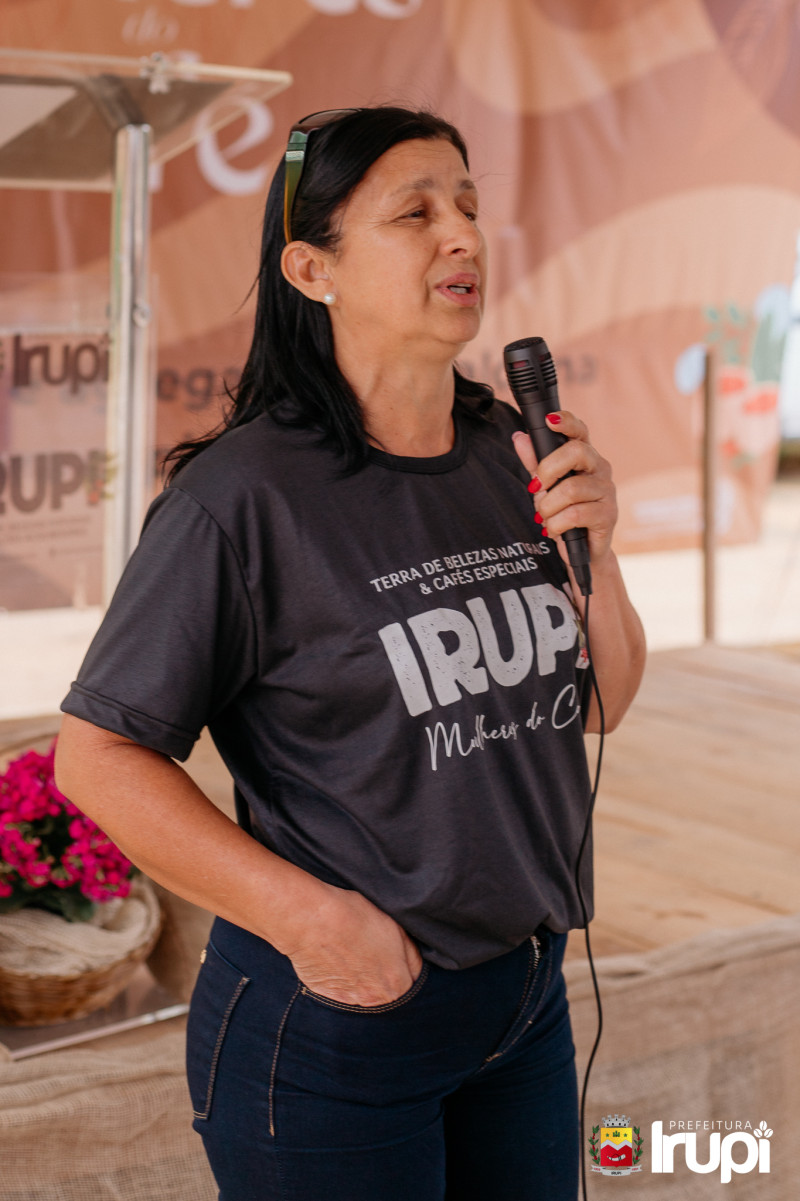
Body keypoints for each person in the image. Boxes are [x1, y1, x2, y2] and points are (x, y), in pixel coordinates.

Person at [56, 106, 646, 1201]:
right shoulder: (243, 498)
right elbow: (97, 757)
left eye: (466, 205)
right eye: (413, 214)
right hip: (339, 1022)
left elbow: (603, 700)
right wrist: (315, 922)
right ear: (311, 269)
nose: (461, 235)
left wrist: (596, 554)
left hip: (524, 1000)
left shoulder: (509, 451)